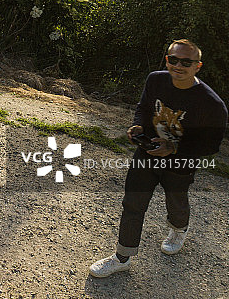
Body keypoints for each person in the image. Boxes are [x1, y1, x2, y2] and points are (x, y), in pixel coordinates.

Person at [90, 39, 227, 277]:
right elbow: (143, 108)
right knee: (133, 204)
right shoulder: (156, 79)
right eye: (173, 59)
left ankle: (179, 229)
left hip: (181, 163)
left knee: (176, 203)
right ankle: (122, 257)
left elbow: (210, 145)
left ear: (198, 66)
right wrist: (137, 127)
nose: (178, 65)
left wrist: (173, 148)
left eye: (186, 62)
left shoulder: (212, 104)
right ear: (167, 60)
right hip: (147, 154)